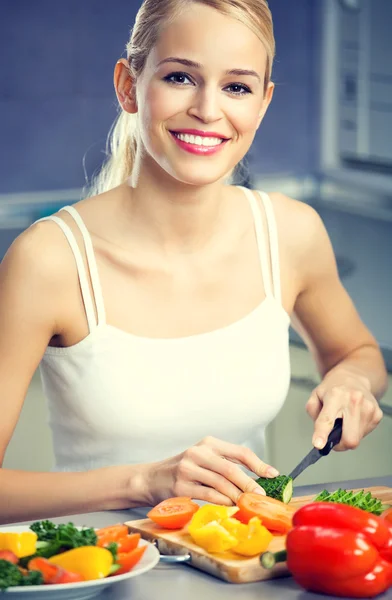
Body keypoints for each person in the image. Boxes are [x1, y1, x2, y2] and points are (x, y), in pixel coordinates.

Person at [0, 0, 387, 525]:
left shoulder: (290, 232)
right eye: (181, 77)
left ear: (263, 103)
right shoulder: (50, 261)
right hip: (101, 570)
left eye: (236, 87)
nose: (208, 110)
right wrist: (142, 482)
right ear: (127, 86)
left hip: (244, 564)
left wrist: (354, 383)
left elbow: (359, 354)